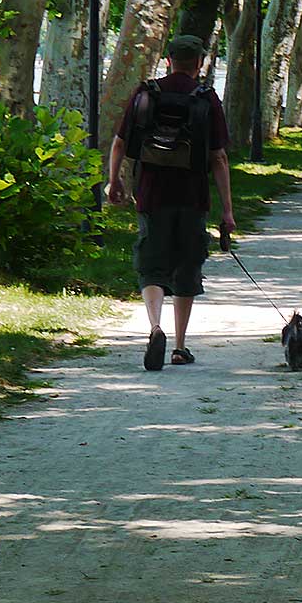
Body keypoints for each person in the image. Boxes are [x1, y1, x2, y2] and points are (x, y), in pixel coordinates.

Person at [106, 34, 237, 371]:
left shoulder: (147, 91)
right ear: (199, 63)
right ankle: (179, 346)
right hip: (192, 197)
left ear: (168, 60)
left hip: (151, 194)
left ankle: (155, 327)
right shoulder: (206, 97)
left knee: (151, 264)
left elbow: (120, 143)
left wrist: (114, 180)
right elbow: (219, 158)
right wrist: (227, 210)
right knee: (187, 265)